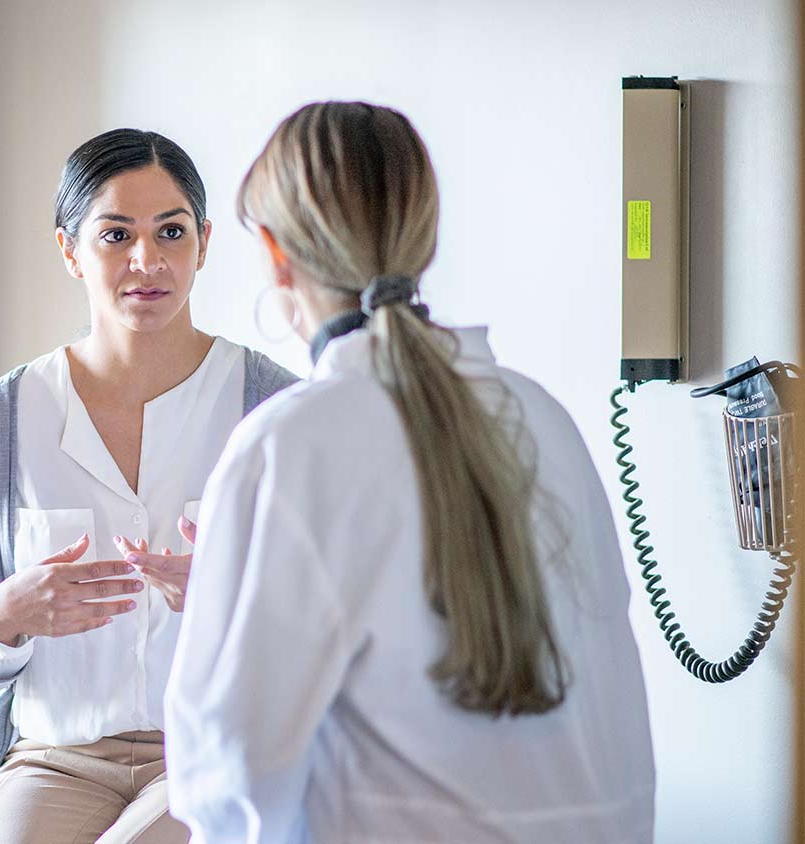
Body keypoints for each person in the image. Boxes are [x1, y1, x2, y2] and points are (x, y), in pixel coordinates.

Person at [164, 102, 656, 843]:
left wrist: (235, 591)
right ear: (422, 236)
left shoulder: (291, 444)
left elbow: (230, 779)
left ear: (273, 253)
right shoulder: (541, 416)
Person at [0, 128, 297, 844]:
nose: (147, 260)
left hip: (211, 752)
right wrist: (5, 612)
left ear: (204, 242)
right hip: (53, 760)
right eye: (115, 234)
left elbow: (328, 628)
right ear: (69, 249)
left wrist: (234, 599)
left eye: (171, 231)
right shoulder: (1, 422)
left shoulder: (273, 409)